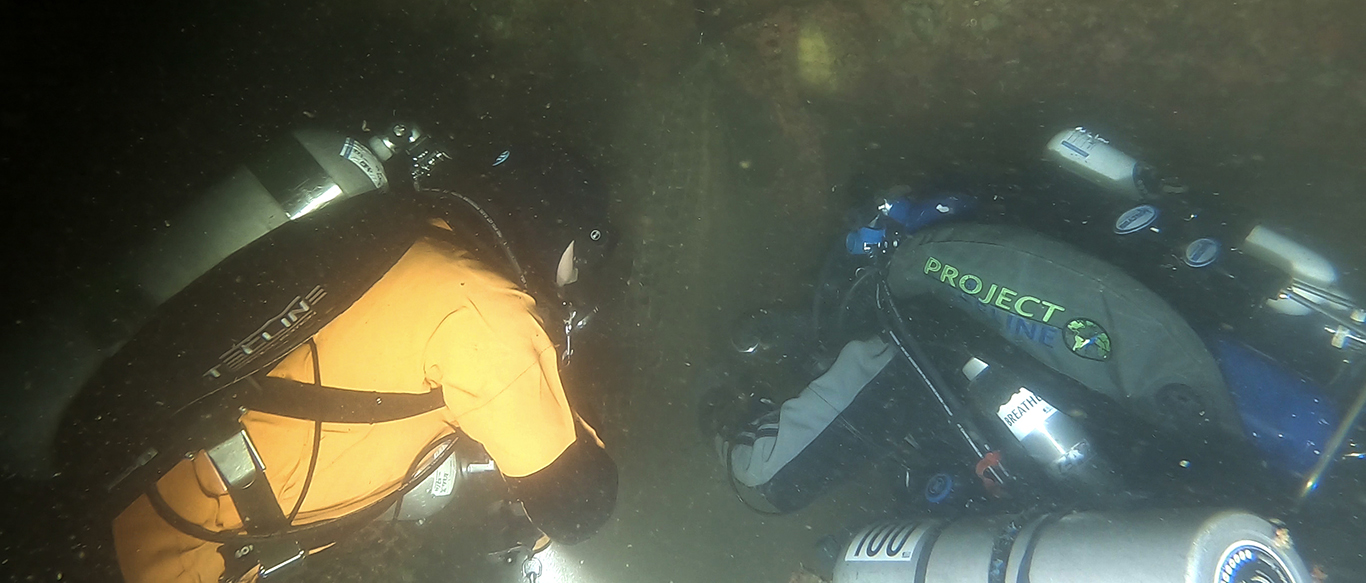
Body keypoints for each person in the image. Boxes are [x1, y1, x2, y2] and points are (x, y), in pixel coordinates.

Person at [63, 132, 620, 582]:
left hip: (116, 497)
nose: (572, 278)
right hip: (160, 559)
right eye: (580, 255)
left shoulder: (411, 238)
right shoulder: (486, 307)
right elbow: (575, 503)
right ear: (552, 223)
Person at [703, 171, 1355, 517]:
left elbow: (772, 473)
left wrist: (713, 415)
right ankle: (825, 339)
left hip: (1096, 404)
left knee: (786, 452)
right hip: (1158, 418)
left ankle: (800, 357)